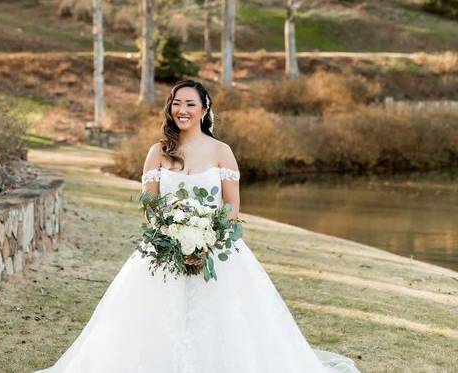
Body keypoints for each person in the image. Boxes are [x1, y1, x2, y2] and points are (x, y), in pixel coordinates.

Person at [34, 80, 360, 373]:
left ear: (204, 110)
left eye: (190, 104)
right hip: (164, 249)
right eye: (176, 103)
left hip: (217, 250)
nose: (182, 110)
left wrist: (208, 239)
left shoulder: (222, 152)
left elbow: (231, 208)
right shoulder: (158, 152)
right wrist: (172, 236)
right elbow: (150, 206)